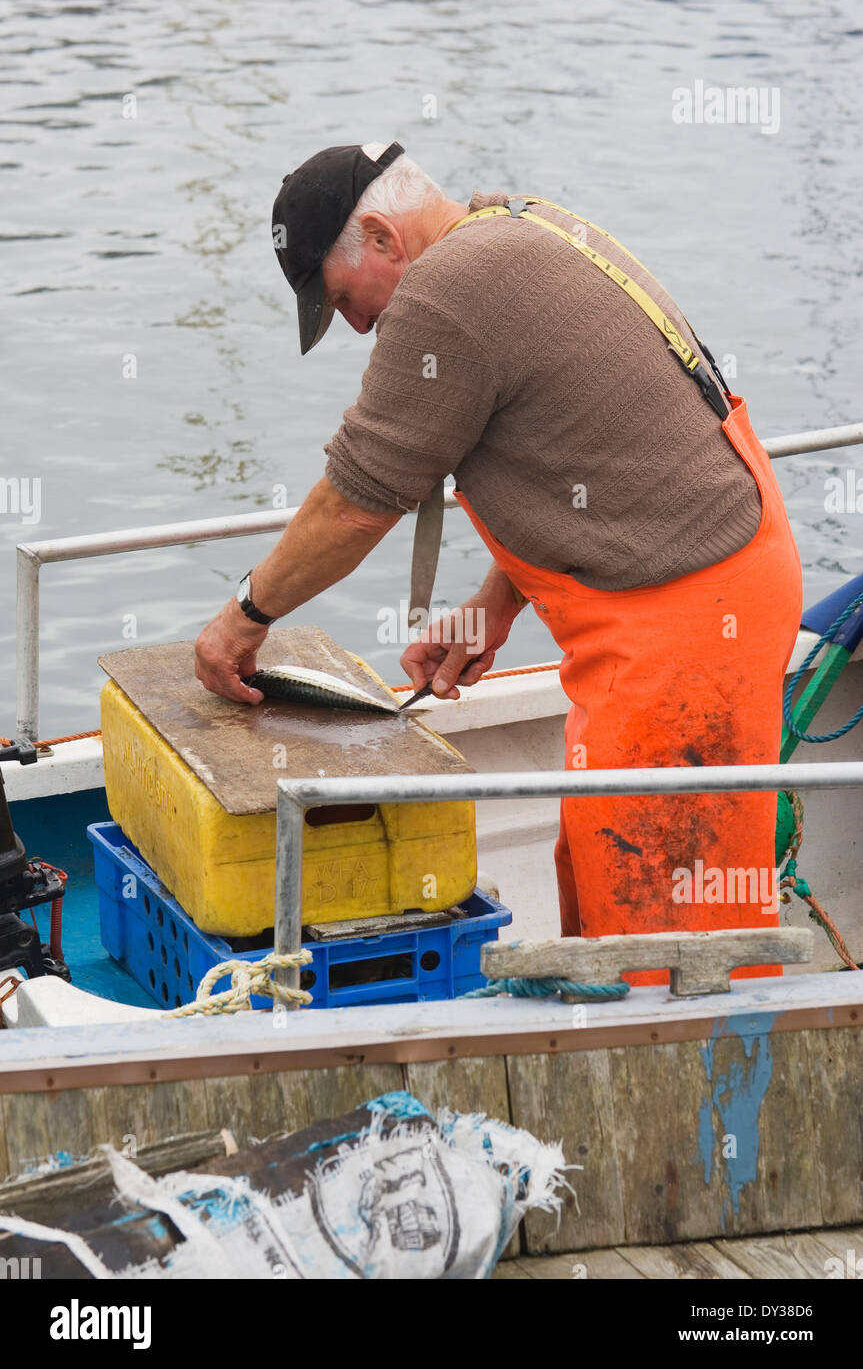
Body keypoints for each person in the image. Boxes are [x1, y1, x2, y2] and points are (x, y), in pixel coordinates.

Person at [194, 140, 803, 983]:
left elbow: (353, 502)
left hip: (687, 622)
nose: (355, 327)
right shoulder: (516, 226)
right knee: (603, 868)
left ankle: (711, 1103)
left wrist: (240, 620)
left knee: (672, 936)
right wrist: (492, 607)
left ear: (380, 236)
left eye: (343, 301)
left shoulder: (446, 294)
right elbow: (589, 454)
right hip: (702, 581)